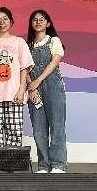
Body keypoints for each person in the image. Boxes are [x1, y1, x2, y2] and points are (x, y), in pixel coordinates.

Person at [0, 7, 34, 172]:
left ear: (11, 22)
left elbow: (24, 68)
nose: (2, 22)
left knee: (15, 133)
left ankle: (12, 169)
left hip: (14, 95)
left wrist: (21, 90)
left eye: (5, 19)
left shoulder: (19, 42)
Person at [26, 10, 67, 173]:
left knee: (57, 126)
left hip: (53, 87)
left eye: (42, 19)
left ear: (48, 23)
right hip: (34, 90)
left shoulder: (54, 41)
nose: (38, 22)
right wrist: (31, 87)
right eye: (35, 20)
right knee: (39, 129)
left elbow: (54, 62)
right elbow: (24, 68)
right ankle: (43, 165)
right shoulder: (27, 46)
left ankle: (58, 164)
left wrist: (38, 80)